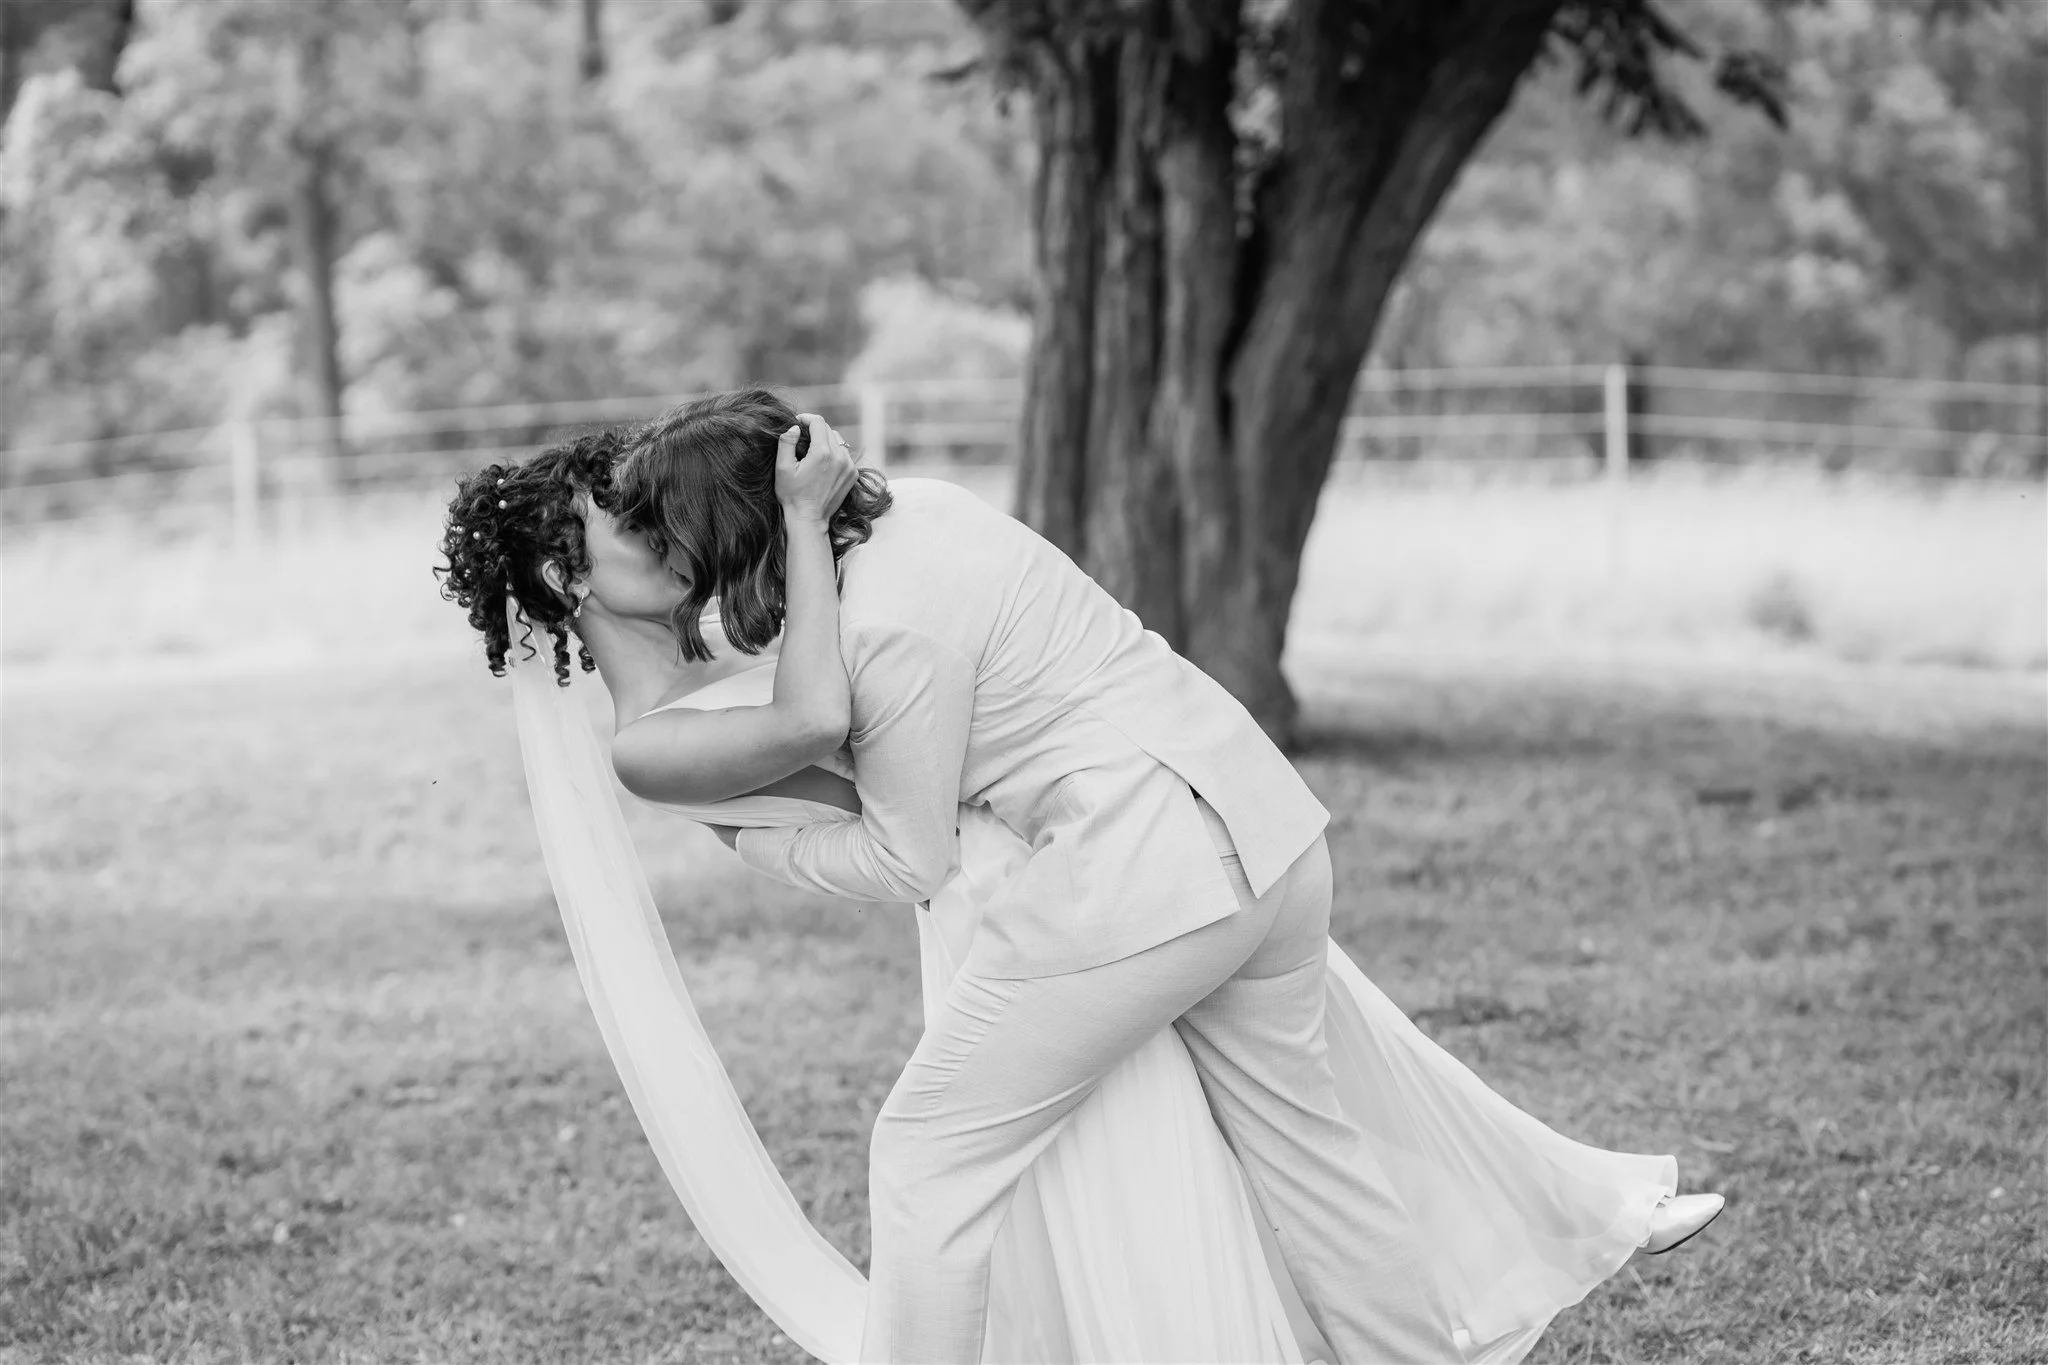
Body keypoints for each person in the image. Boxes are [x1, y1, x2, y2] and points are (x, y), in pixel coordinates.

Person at [503, 388, 1716, 1364]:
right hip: (1264, 834)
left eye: (677, 537)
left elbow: (907, 856)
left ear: (734, 533)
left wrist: (758, 841)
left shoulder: (881, 635)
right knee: (1308, 1155)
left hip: (1144, 881)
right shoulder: (930, 511)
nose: (675, 562)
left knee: (924, 1156)